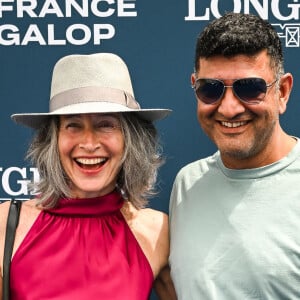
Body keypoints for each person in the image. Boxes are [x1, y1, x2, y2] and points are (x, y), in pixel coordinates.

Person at [0, 52, 177, 300]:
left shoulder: (157, 230)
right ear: (53, 139)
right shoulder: (8, 224)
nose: (89, 143)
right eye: (73, 125)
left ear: (130, 139)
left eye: (105, 124)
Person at [169, 12, 298, 299]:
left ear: (283, 91)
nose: (228, 108)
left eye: (250, 89)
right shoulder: (187, 183)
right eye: (210, 90)